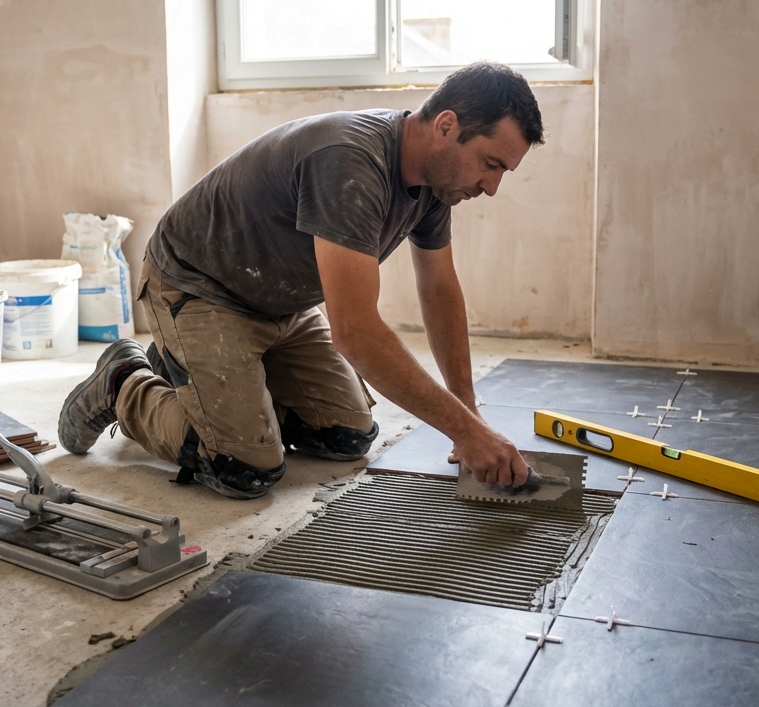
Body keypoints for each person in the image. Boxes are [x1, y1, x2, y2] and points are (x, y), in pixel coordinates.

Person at [59, 61, 544, 500]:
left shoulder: (437, 185)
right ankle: (123, 381)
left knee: (347, 436)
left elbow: (439, 289)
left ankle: (214, 386)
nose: (492, 186)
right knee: (245, 465)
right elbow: (355, 331)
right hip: (199, 286)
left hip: (281, 304)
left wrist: (468, 413)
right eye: (491, 163)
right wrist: (464, 432)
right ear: (446, 126)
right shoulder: (351, 163)